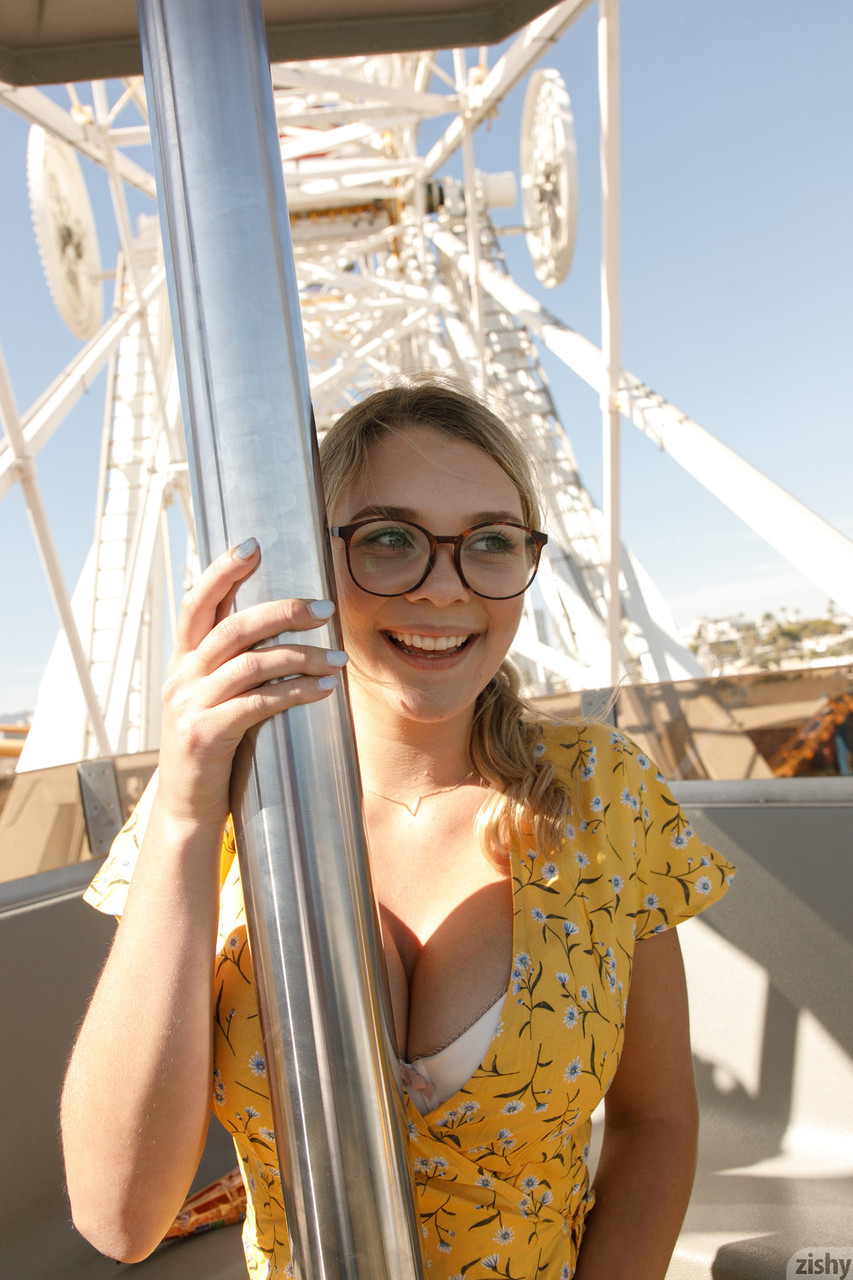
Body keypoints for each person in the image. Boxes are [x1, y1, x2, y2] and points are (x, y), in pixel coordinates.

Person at [61, 379, 735, 1280]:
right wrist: (187, 805)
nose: (446, 588)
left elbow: (656, 1122)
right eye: (388, 539)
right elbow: (118, 1219)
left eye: (490, 543)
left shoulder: (600, 792)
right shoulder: (204, 816)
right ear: (312, 565)